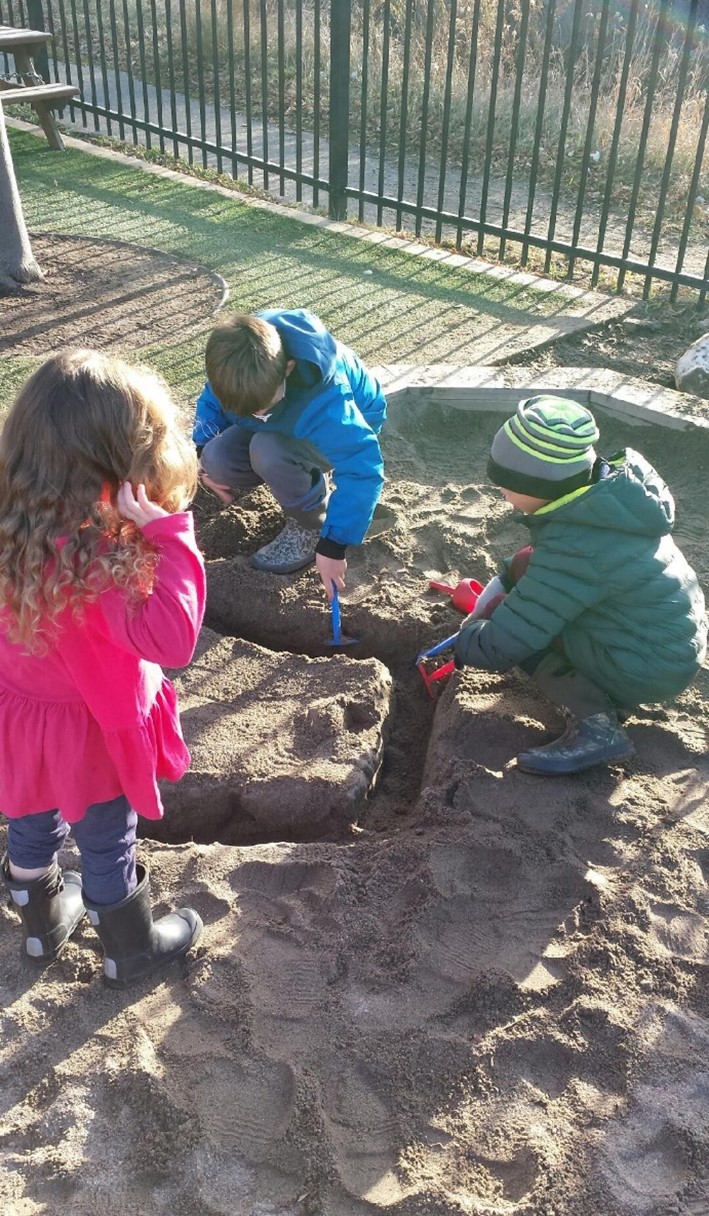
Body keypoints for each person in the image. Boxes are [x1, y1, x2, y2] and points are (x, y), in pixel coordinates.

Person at [0, 350, 206, 987]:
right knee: (107, 836)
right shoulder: (99, 564)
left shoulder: (12, 530)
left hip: (23, 717)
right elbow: (172, 640)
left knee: (30, 815)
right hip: (94, 733)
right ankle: (128, 946)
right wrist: (171, 536)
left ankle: (39, 928)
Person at [454, 395, 707, 775]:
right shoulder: (601, 505)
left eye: (506, 486)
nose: (502, 495)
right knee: (526, 566)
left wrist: (467, 641)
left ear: (538, 484)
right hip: (661, 635)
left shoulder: (576, 549)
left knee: (526, 637)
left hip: (649, 664)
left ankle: (598, 731)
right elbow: (536, 566)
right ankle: (603, 686)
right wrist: (499, 587)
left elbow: (504, 644)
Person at [194, 309, 387, 597]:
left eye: (262, 406)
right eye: (248, 411)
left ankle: (311, 523)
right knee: (215, 458)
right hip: (283, 414)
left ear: (288, 368)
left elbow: (363, 469)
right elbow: (212, 401)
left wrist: (333, 545)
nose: (257, 414)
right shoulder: (234, 364)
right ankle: (290, 475)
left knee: (267, 449)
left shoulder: (328, 400)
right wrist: (200, 449)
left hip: (341, 421)